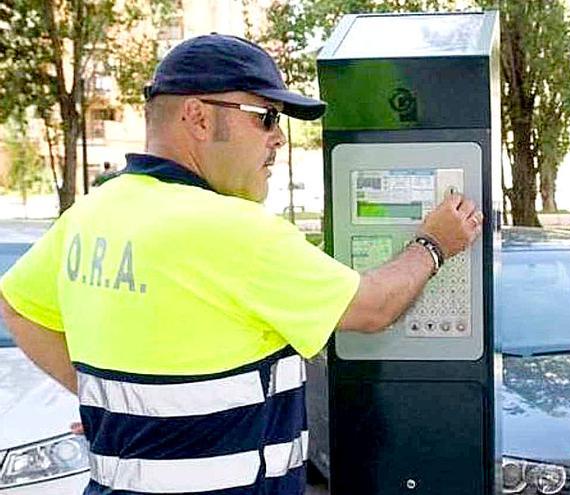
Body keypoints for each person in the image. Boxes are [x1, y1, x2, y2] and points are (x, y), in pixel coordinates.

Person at [0, 34, 483, 495]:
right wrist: (433, 244)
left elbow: (17, 305)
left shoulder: (93, 212)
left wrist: (112, 409)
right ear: (199, 117)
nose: (279, 139)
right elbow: (373, 308)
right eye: (267, 118)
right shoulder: (229, 228)